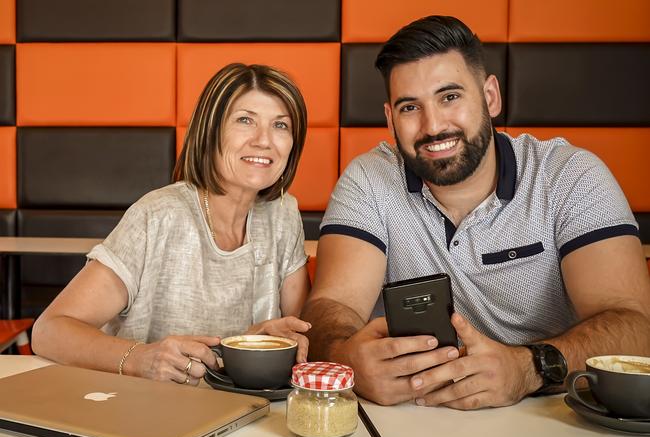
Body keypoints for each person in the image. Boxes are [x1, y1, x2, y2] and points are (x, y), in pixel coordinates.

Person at [301, 16, 650, 409]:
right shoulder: (369, 179)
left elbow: (635, 327)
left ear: (490, 96)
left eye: (450, 97)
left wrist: (527, 368)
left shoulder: (571, 176)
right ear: (389, 119)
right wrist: (346, 357)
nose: (433, 126)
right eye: (410, 107)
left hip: (550, 413)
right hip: (415, 418)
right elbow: (331, 305)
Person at [32, 63, 312, 386]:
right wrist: (141, 358)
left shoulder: (283, 215)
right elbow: (49, 329)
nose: (264, 140)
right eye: (245, 120)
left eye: (280, 125)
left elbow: (302, 332)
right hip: (145, 416)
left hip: (249, 416)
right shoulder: (157, 216)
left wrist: (255, 343)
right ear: (210, 130)